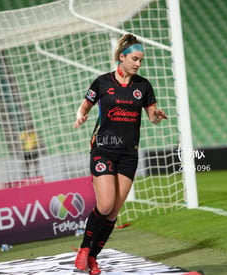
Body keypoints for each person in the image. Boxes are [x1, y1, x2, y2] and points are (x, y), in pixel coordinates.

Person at [72, 33, 167, 275]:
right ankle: (84, 249)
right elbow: (86, 104)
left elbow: (152, 115)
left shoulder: (143, 86)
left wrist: (156, 116)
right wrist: (81, 114)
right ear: (121, 57)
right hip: (103, 149)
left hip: (128, 155)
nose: (138, 64)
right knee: (104, 205)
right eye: (134, 59)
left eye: (141, 60)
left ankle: (93, 257)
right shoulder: (102, 82)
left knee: (114, 211)